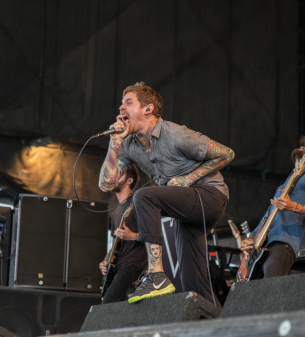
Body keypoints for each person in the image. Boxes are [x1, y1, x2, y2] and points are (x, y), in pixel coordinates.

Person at [98, 82, 234, 306]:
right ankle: (209, 323)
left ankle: (156, 276)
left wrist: (188, 179)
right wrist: (114, 142)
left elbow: (227, 154)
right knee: (193, 284)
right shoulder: (129, 145)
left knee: (144, 196)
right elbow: (107, 183)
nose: (121, 108)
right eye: (121, 103)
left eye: (128, 102)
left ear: (148, 109)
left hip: (210, 196)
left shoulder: (176, 134)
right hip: (185, 208)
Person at [240, 146, 305, 279]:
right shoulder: (285, 185)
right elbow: (267, 218)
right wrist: (250, 238)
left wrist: (293, 206)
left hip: (282, 245)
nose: (302, 147)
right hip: (261, 249)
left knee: (270, 290)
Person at [99, 165, 147, 304]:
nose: (113, 177)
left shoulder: (137, 202)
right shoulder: (116, 212)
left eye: (119, 173)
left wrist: (132, 236)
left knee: (106, 306)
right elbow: (115, 243)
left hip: (133, 266)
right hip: (118, 268)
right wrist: (106, 260)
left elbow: (154, 233)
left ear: (129, 180)